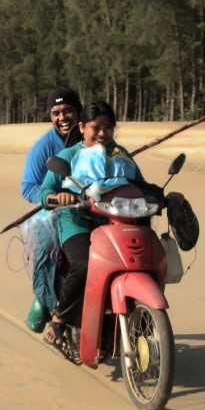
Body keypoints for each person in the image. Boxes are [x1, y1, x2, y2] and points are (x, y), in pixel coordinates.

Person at [37, 100, 144, 361]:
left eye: (108, 128)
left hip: (114, 221)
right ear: (82, 127)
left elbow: (139, 183)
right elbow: (45, 192)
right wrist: (58, 198)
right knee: (85, 265)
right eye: (96, 127)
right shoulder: (69, 156)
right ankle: (59, 321)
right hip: (76, 220)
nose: (102, 134)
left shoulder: (120, 154)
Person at [19, 88, 82, 203]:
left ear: (79, 112)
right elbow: (28, 188)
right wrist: (54, 197)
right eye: (56, 113)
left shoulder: (91, 139)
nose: (62, 117)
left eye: (68, 111)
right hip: (58, 211)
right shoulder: (42, 147)